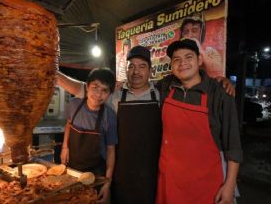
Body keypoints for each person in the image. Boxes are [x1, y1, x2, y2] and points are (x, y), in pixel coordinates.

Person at [56, 46, 235, 204]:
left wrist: (218, 82)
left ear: (150, 71)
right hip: (122, 174)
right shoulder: (116, 96)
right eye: (131, 66)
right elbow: (84, 90)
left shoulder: (161, 93)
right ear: (126, 70)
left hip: (152, 175)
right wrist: (54, 73)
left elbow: (191, 83)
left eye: (142, 66)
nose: (136, 72)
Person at [155, 39, 242, 204]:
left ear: (199, 60)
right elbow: (140, 87)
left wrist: (229, 186)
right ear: (172, 66)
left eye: (189, 57)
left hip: (207, 185)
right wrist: (119, 86)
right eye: (176, 60)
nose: (183, 63)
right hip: (170, 181)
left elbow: (233, 145)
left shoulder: (219, 92)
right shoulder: (165, 87)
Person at [60, 68, 117, 204]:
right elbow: (68, 124)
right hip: (72, 170)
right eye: (95, 87)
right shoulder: (74, 105)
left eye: (104, 90)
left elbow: (111, 150)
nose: (98, 94)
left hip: (96, 175)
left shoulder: (109, 116)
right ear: (87, 87)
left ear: (109, 94)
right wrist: (65, 146)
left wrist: (107, 184)